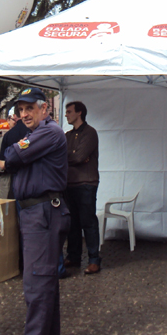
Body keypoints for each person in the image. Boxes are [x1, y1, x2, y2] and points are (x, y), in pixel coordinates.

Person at [4, 88, 71, 335]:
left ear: (45, 108)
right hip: (39, 212)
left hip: (42, 213)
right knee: (44, 285)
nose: (24, 114)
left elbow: (11, 155)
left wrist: (17, 154)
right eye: (21, 110)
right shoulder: (39, 133)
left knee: (37, 285)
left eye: (29, 108)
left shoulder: (48, 132)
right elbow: (11, 154)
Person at [63, 101, 102, 275]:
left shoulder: (90, 133)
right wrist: (73, 156)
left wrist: (71, 156)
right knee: (72, 223)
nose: (66, 114)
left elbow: (80, 156)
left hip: (86, 183)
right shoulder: (67, 135)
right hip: (69, 184)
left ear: (79, 113)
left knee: (88, 222)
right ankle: (73, 256)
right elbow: (63, 156)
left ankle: (94, 259)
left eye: (69, 111)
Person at [0, 105, 30, 198]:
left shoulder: (8, 135)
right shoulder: (35, 131)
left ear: (15, 116)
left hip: (15, 182)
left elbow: (2, 164)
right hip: (34, 183)